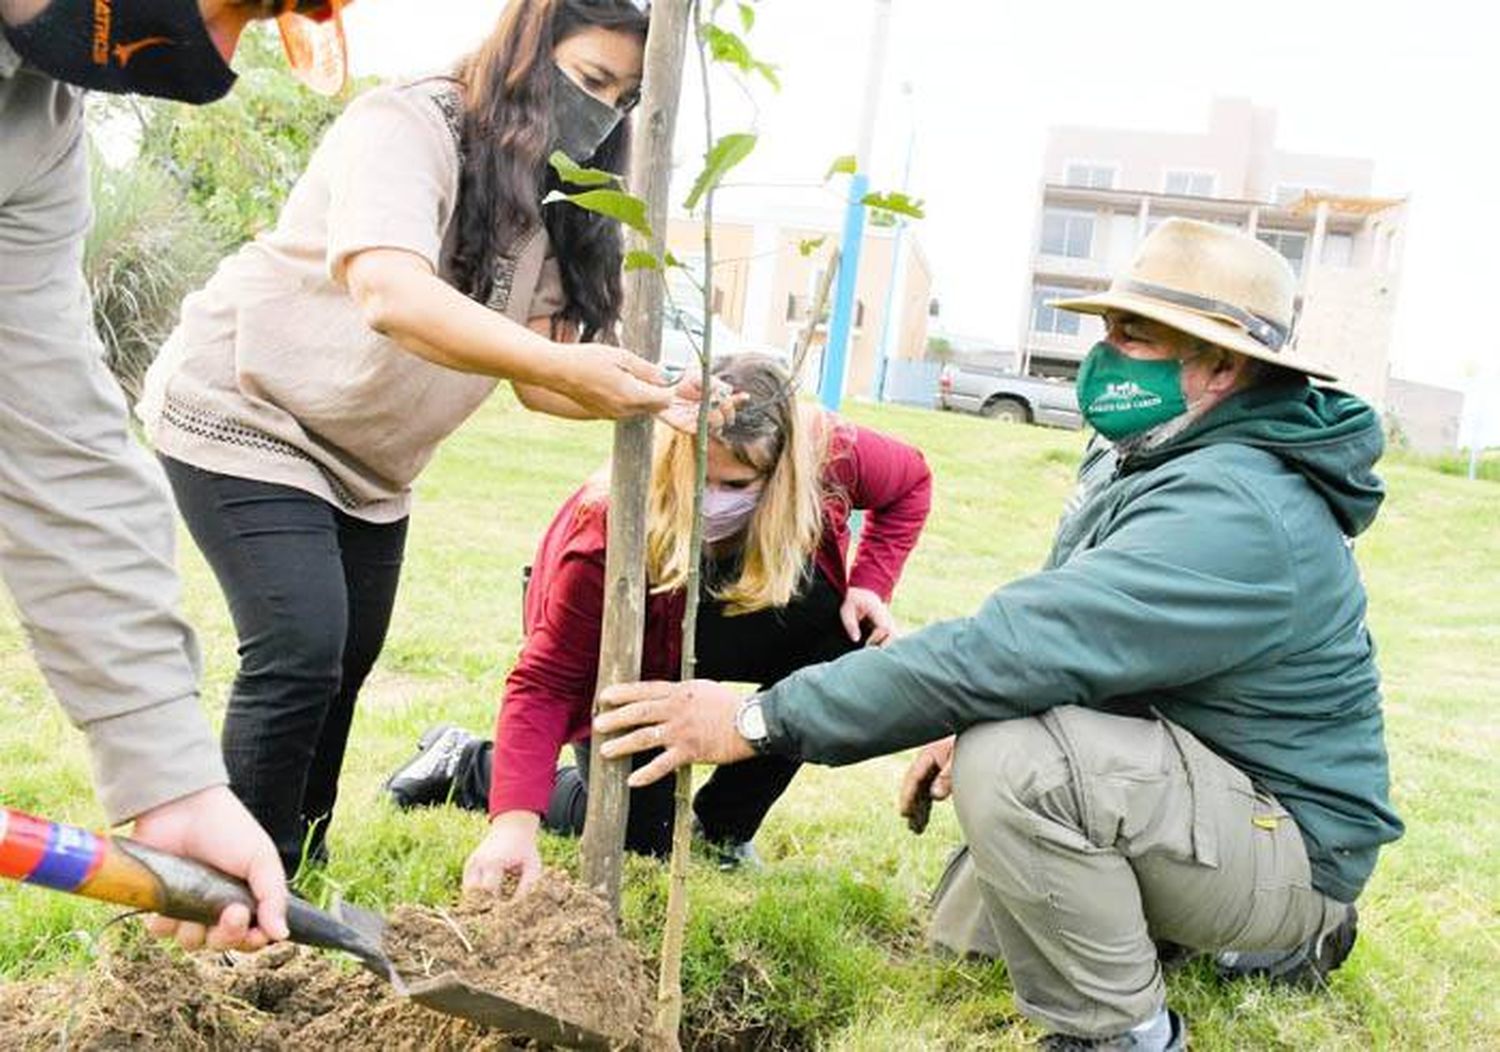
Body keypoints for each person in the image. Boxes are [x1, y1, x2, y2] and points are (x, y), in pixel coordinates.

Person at [594, 219, 1404, 1051]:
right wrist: (962, 718)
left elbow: (1020, 646)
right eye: (1106, 329)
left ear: (1223, 366)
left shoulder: (1239, 509)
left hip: (1291, 842)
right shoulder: (1149, 460)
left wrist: (751, 720)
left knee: (1023, 768)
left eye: (1135, 335)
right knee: (970, 930)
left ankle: (1136, 1026)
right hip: (1194, 780)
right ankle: (1194, 932)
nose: (1104, 354)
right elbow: (1073, 636)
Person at [134, 0, 694, 881]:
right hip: (249, 408)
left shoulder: (551, 187)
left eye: (623, 98)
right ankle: (228, 899)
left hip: (370, 463)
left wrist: (647, 390)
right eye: (590, 81)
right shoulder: (410, 123)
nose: (602, 112)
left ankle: (296, 875)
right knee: (301, 649)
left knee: (346, 662)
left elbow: (548, 379)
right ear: (528, 49)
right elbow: (390, 293)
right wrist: (575, 370)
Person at [1, 0, 362, 953]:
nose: (222, 54)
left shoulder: (27, 135)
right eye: (235, 1)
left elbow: (58, 445)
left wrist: (172, 778)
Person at [381, 353, 933, 893]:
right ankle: (471, 764)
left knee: (848, 636)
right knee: (644, 838)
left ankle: (723, 830)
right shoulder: (605, 532)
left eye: (736, 486)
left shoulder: (826, 451)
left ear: (780, 472)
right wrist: (513, 825)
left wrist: (869, 585)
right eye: (700, 478)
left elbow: (910, 482)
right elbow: (547, 681)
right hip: (640, 625)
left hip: (748, 600)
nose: (711, 500)